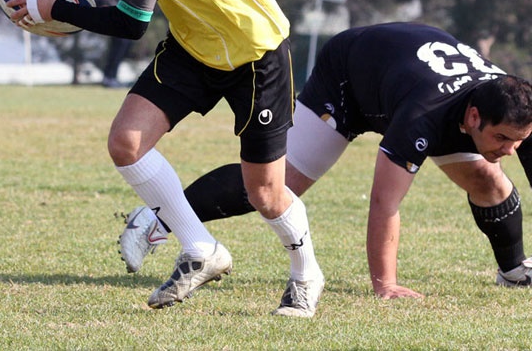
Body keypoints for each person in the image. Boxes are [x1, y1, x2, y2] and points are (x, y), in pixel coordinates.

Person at [8, 0, 323, 317]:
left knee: (265, 192)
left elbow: (132, 22)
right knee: (126, 143)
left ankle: (306, 273)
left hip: (253, 48)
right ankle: (201, 249)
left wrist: (56, 6)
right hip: (196, 43)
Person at [119, 22, 532, 299]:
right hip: (350, 76)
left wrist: (500, 143)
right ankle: (157, 217)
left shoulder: (515, 111)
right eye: (502, 139)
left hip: (411, 80)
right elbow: (384, 203)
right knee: (280, 185)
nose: (510, 149)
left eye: (518, 141)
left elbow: (511, 145)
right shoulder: (422, 115)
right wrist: (385, 285)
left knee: (490, 179)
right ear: (475, 117)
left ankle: (513, 270)